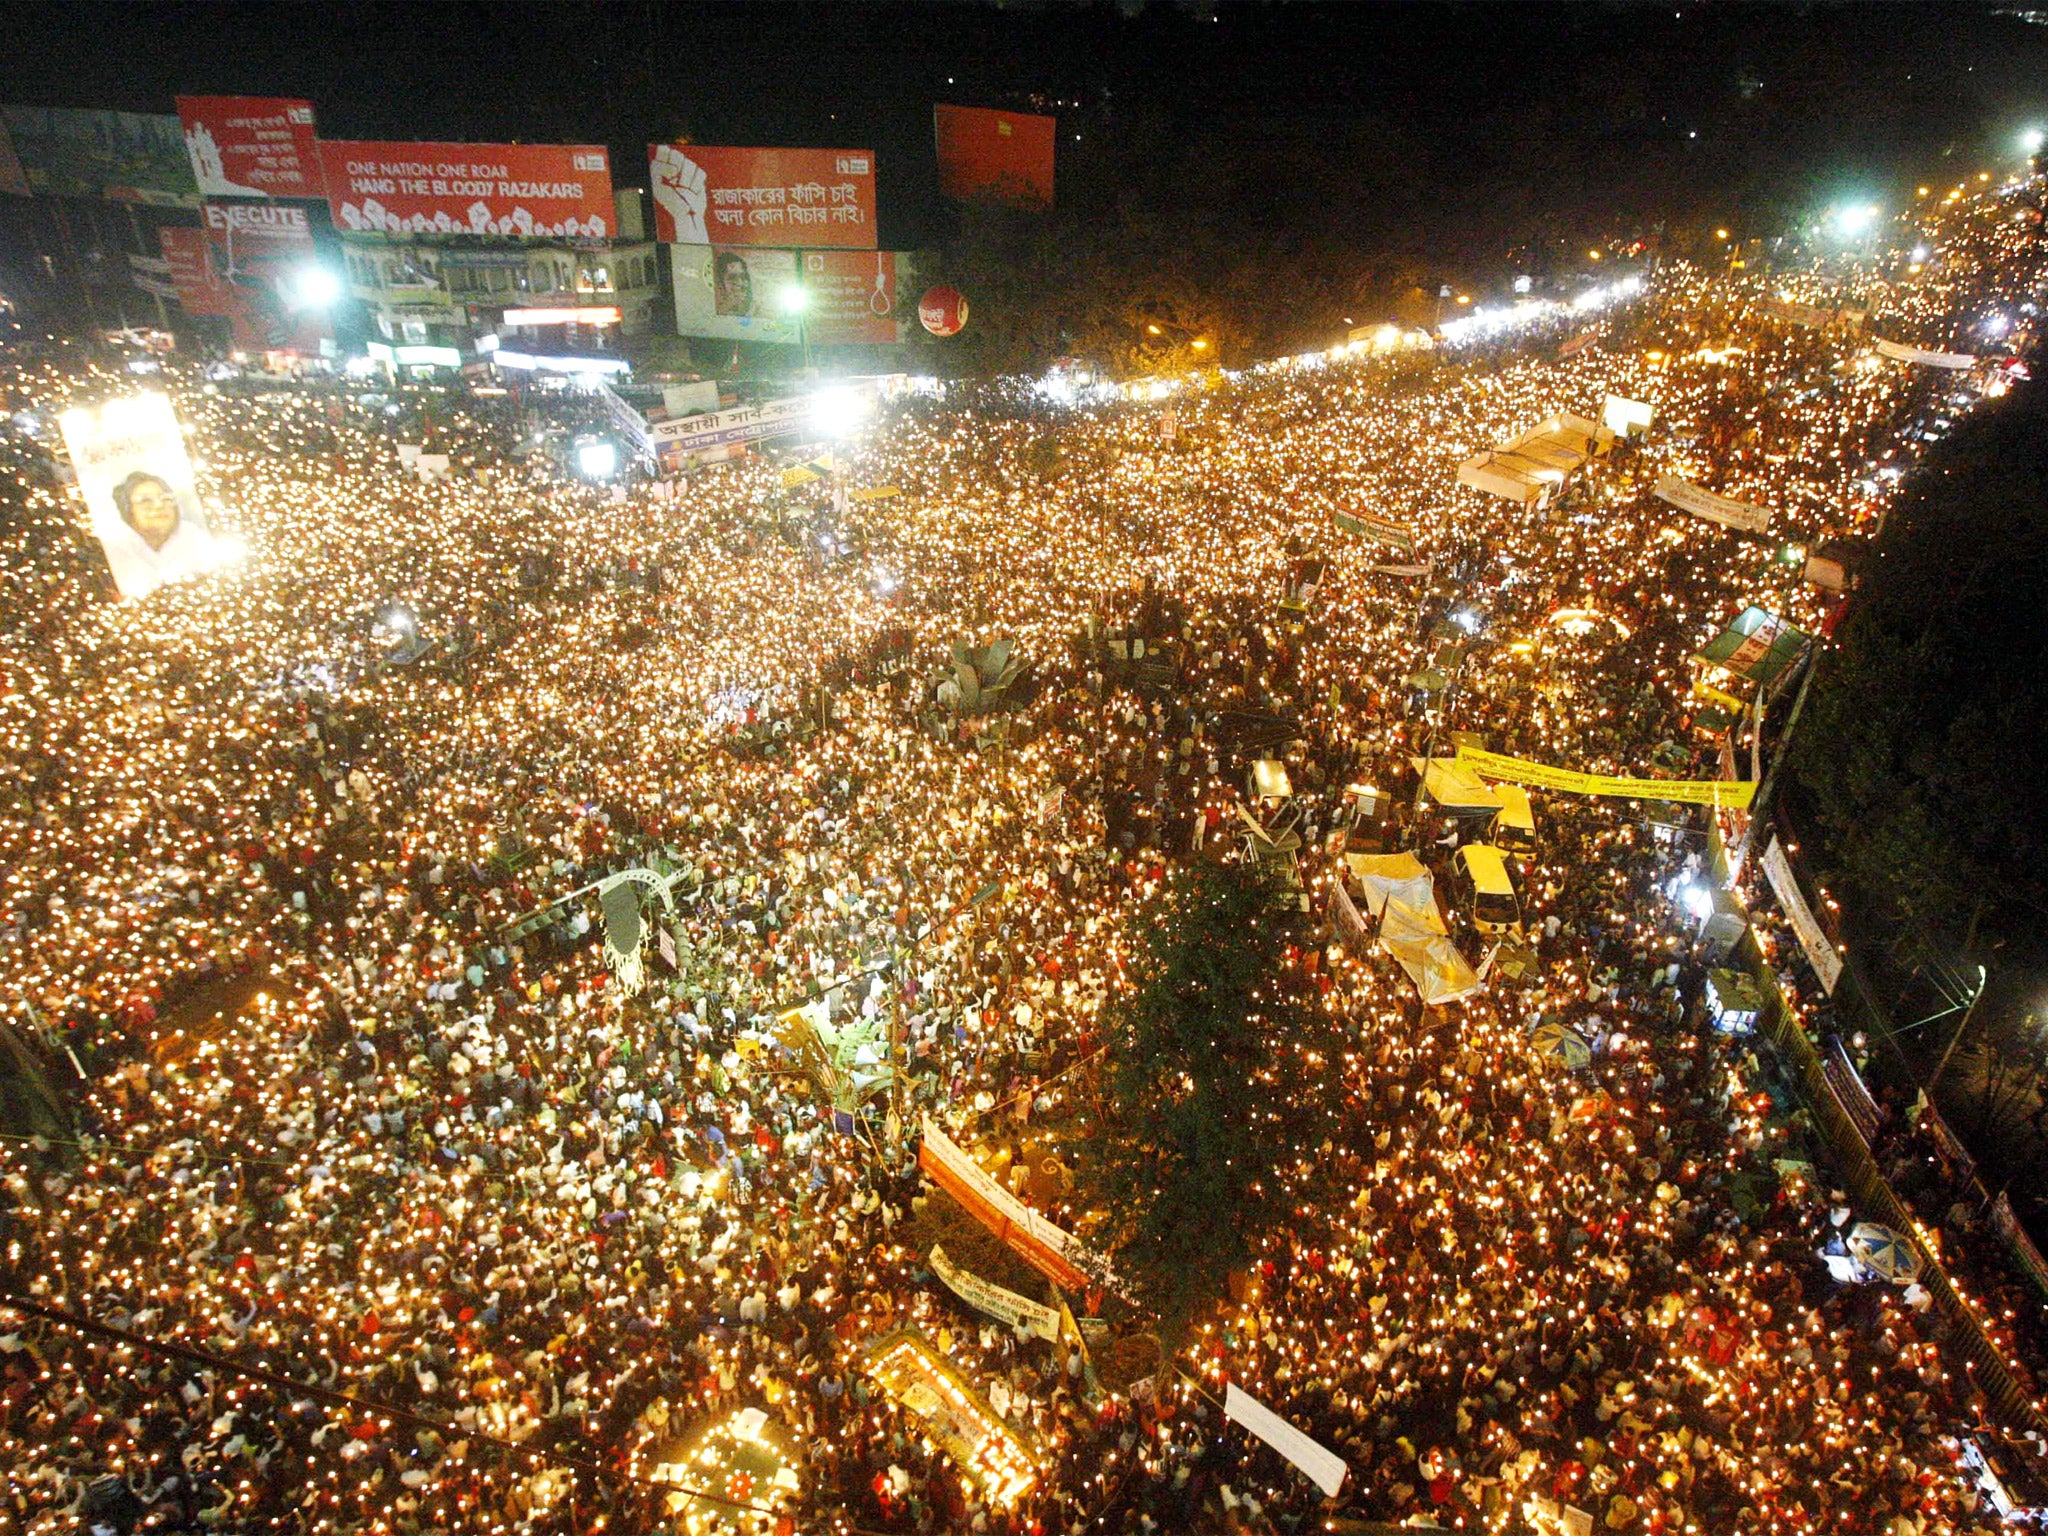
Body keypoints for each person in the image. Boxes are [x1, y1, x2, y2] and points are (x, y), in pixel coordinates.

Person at [97, 468, 218, 597]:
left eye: (166, 498)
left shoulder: (195, 537)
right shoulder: (115, 548)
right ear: (128, 510)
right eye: (145, 501)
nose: (159, 505)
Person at [714, 251, 756, 318]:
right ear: (720, 286)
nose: (739, 283)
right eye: (732, 278)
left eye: (743, 277)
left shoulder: (759, 312)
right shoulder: (715, 317)